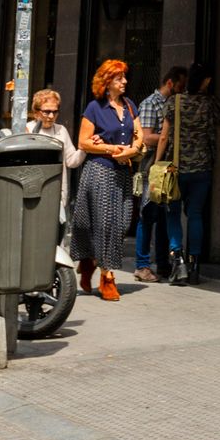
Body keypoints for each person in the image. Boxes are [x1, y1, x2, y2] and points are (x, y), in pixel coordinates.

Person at [156, 62, 220, 285]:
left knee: (173, 213)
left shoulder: (174, 102)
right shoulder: (209, 103)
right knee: (195, 215)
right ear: (206, 81)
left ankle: (177, 260)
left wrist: (156, 164)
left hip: (176, 168)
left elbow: (163, 137)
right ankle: (194, 265)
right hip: (202, 169)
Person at [71, 59, 145, 301]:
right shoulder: (95, 108)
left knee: (122, 223)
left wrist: (133, 151)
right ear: (107, 82)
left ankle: (90, 261)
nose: (124, 82)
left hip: (123, 173)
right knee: (105, 224)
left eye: (124, 77)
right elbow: (83, 142)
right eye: (119, 78)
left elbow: (139, 137)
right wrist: (113, 149)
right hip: (100, 172)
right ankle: (107, 277)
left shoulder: (130, 106)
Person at [133, 64, 188, 282]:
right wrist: (172, 137)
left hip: (168, 168)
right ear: (170, 83)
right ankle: (142, 265)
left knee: (166, 216)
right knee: (147, 215)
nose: (183, 90)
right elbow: (146, 137)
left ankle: (164, 264)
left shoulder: (174, 104)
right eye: (180, 85)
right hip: (152, 168)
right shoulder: (150, 104)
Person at [27, 87, 83, 216]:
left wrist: (84, 148)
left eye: (55, 112)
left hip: (56, 194)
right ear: (36, 112)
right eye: (47, 112)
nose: (51, 116)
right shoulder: (27, 130)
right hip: (32, 192)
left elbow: (71, 161)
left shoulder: (61, 130)